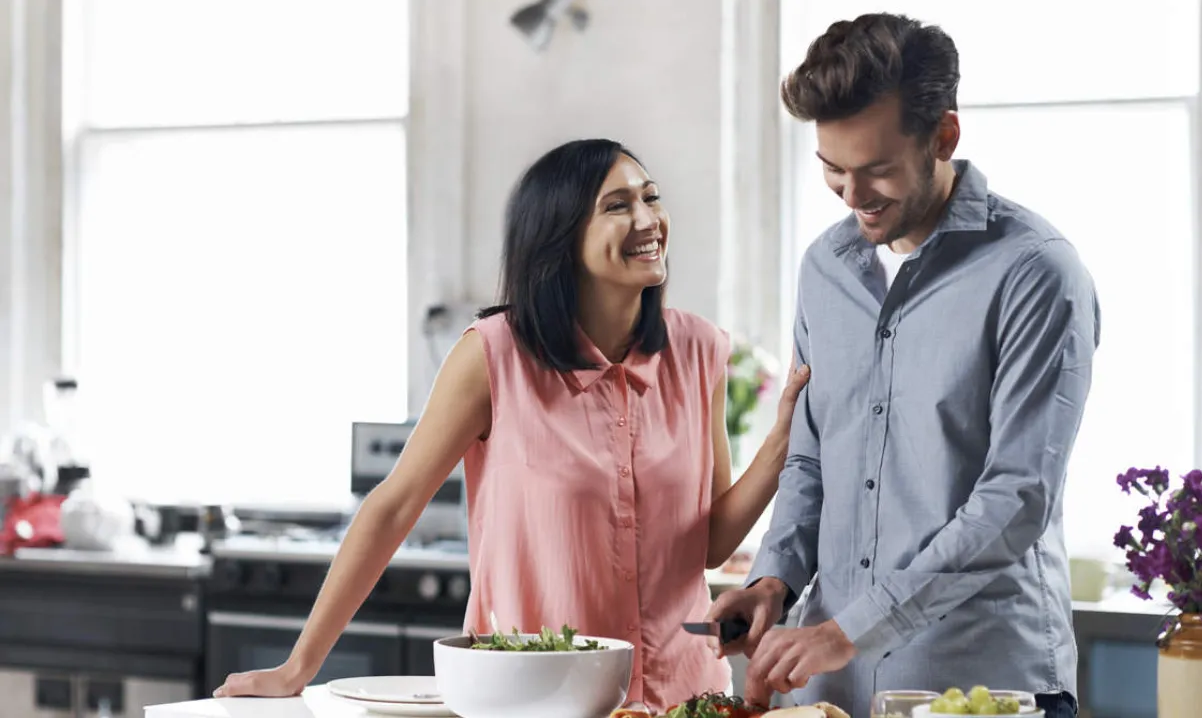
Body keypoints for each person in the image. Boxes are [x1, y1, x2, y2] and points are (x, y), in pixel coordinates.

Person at [213, 138, 809, 709]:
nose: (648, 218)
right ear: (561, 237)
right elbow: (393, 506)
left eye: (650, 197)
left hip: (684, 697)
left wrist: (782, 442)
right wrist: (299, 667)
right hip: (535, 699)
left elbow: (706, 544)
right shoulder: (493, 356)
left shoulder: (698, 350)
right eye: (617, 205)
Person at [705, 13, 1099, 718]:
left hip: (982, 685)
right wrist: (775, 581)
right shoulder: (825, 269)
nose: (853, 197)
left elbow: (1015, 500)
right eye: (833, 170)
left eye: (877, 170)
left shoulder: (1035, 271)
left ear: (943, 136)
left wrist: (851, 629)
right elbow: (810, 457)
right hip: (830, 693)